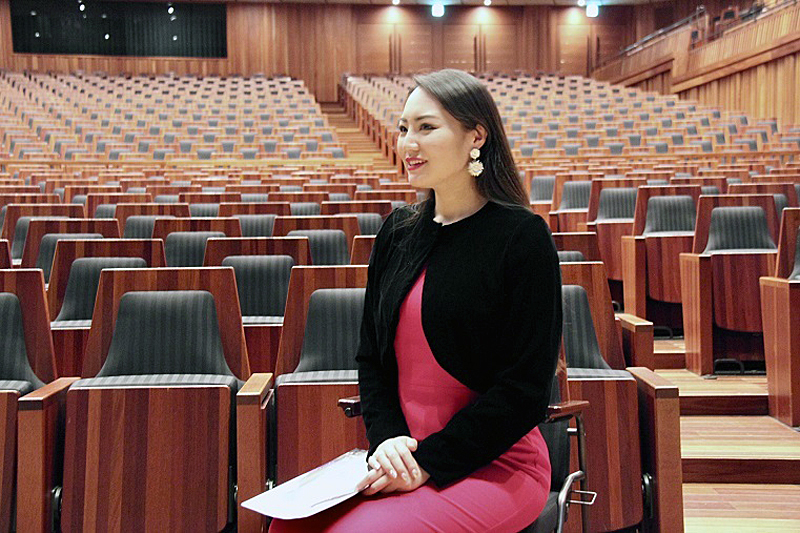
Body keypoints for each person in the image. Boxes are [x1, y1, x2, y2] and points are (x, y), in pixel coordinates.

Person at [269, 69, 562, 533]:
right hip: (404, 459)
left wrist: (428, 462)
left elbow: (525, 392)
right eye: (404, 128)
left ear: (475, 136)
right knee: (287, 528)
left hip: (494, 464)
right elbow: (372, 358)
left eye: (426, 127)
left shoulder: (521, 238)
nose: (408, 143)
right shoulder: (398, 232)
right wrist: (385, 441)